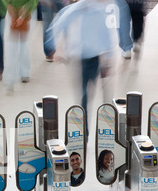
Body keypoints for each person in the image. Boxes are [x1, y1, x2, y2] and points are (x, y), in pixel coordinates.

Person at [44, 0, 124, 137]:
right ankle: (88, 132)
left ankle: (92, 131)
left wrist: (51, 45)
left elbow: (58, 24)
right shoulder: (81, 9)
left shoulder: (88, 10)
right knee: (87, 96)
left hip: (92, 58)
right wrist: (52, 46)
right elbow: (60, 23)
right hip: (85, 58)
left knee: (86, 97)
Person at [4, 0, 38, 94]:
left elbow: (33, 1)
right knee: (11, 47)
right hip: (12, 12)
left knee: (24, 45)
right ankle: (10, 79)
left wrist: (23, 16)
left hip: (27, 12)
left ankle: (24, 73)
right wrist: (9, 7)